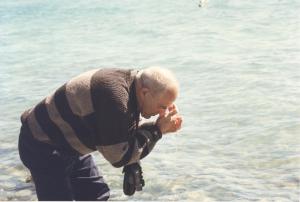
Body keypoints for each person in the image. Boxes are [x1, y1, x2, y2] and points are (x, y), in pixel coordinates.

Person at [18, 66, 183, 201]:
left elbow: (125, 129)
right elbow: (119, 157)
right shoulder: (116, 100)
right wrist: (157, 130)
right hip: (42, 145)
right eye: (162, 106)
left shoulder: (132, 84)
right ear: (145, 92)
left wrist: (134, 163)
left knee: (96, 195)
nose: (163, 112)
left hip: (68, 144)